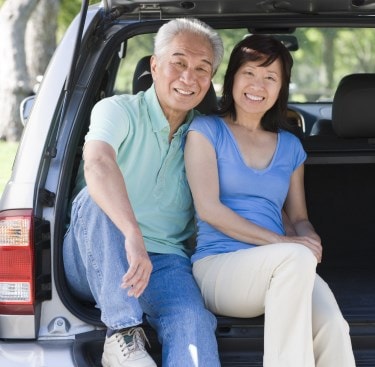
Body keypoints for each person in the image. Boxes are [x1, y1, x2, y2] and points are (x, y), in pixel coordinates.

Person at [184, 34, 356, 367]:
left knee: (333, 326)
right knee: (294, 258)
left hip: (284, 265)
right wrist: (283, 243)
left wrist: (309, 237)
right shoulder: (205, 131)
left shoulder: (290, 147)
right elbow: (209, 210)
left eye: (270, 77)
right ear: (232, 77)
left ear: (281, 88)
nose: (257, 84)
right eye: (249, 72)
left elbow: (298, 217)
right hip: (218, 267)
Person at [63, 18, 224, 367]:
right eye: (178, 63)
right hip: (91, 254)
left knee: (192, 321)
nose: (188, 77)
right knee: (93, 197)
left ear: (211, 79)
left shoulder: (206, 134)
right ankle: (124, 334)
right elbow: (98, 165)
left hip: (163, 262)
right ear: (154, 65)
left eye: (201, 68)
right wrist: (131, 234)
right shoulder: (117, 110)